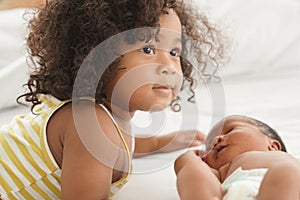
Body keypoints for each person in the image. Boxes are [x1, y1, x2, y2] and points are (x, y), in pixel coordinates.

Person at [0, 0, 225, 199]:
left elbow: (119, 147)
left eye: (175, 52)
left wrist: (158, 143)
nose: (169, 66)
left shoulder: (107, 123)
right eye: (148, 49)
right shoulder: (91, 125)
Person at [175, 115, 300, 200]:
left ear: (273, 146)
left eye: (230, 130)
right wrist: (190, 160)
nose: (214, 141)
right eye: (208, 149)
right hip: (231, 194)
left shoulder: (279, 158)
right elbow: (200, 179)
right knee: (187, 167)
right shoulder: (221, 174)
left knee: (286, 173)